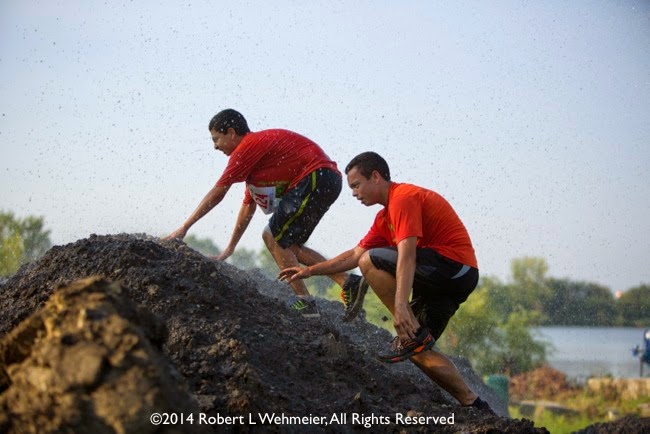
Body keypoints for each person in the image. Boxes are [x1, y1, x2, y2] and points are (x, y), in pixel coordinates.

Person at [278, 151, 495, 413]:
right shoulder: (384, 218)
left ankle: (403, 317)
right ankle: (475, 404)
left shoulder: (403, 198)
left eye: (356, 185)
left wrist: (401, 306)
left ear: (376, 177)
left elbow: (406, 256)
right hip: (441, 284)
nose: (354, 193)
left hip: (455, 269)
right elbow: (353, 255)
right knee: (414, 346)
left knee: (370, 261)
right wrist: (310, 270)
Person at [165, 109, 368, 318]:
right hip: (325, 179)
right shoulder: (254, 166)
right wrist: (230, 249)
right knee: (288, 246)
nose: (215, 146)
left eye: (216, 139)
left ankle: (306, 303)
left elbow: (218, 193)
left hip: (317, 175)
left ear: (231, 133)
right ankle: (347, 281)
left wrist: (185, 227)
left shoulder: (246, 147)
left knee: (272, 236)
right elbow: (247, 208)